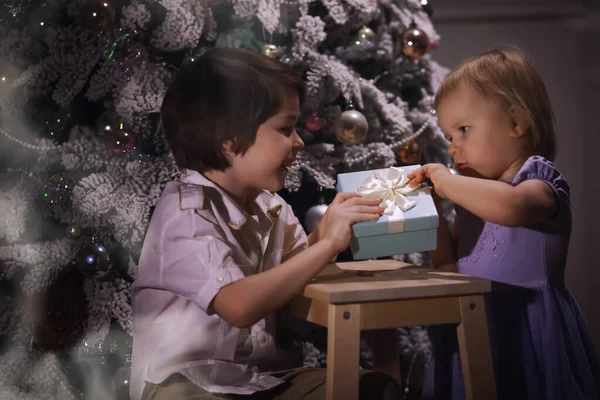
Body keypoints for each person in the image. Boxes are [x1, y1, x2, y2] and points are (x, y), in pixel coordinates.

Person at [129, 47, 400, 400]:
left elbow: (295, 271)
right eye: (286, 128)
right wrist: (327, 245)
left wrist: (326, 233)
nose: (300, 142)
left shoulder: (271, 207)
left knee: (373, 389)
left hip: (256, 380)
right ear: (230, 140)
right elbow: (237, 306)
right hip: (184, 384)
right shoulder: (185, 214)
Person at [408, 47, 600, 399]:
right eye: (449, 137)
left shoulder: (539, 182)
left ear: (516, 122)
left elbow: (512, 209)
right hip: (473, 328)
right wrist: (430, 211)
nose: (452, 148)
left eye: (463, 129)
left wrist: (448, 183)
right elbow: (449, 265)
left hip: (528, 330)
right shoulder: (472, 201)